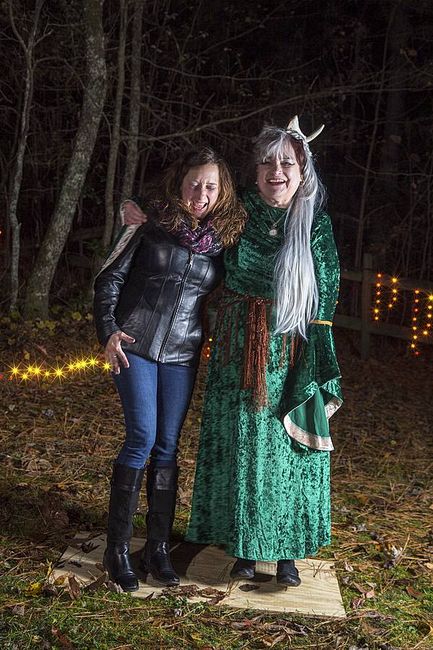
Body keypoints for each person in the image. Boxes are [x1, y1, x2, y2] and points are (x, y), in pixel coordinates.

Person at [184, 118, 342, 586]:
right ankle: (245, 549)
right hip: (238, 348)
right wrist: (138, 213)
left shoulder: (314, 223)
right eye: (268, 163)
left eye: (287, 163)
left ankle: (288, 553)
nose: (277, 171)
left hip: (291, 348)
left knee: (288, 447)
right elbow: (187, 226)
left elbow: (327, 292)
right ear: (254, 172)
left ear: (302, 170)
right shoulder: (237, 214)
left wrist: (315, 361)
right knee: (243, 445)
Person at [93, 147, 246, 592]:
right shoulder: (149, 221)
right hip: (135, 344)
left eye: (211, 186)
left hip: (183, 352)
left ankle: (157, 548)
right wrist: (108, 330)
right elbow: (110, 278)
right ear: (180, 182)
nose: (201, 193)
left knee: (167, 446)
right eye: (194, 183)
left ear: (222, 192)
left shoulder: (223, 240)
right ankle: (117, 549)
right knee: (141, 437)